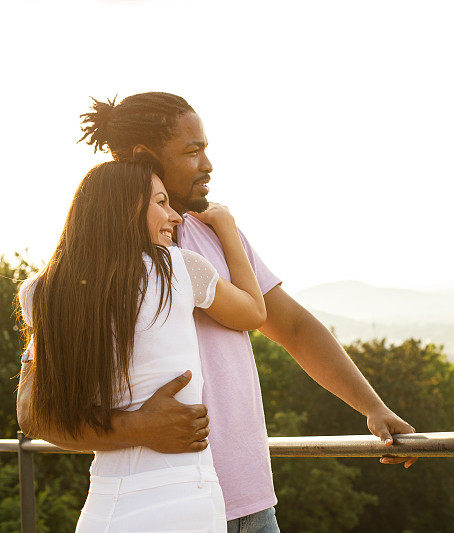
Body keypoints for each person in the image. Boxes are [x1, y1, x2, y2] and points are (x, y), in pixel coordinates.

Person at [16, 92, 418, 532]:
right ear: (143, 156)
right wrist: (135, 428)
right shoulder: (91, 271)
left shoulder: (219, 238)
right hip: (162, 509)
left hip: (255, 505)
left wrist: (373, 407)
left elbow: (297, 330)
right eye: (193, 151)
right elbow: (36, 411)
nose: (208, 164)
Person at [18, 160, 269, 530]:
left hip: (103, 506)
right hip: (186, 500)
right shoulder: (178, 266)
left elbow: (30, 415)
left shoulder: (44, 290)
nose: (175, 217)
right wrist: (227, 227)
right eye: (161, 202)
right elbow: (253, 312)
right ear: (127, 207)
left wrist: (135, 427)